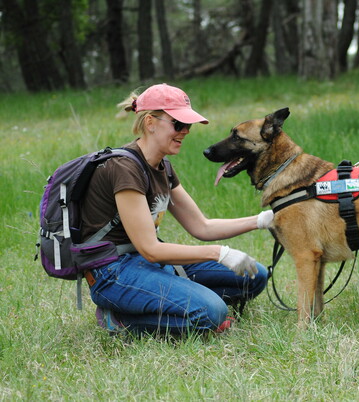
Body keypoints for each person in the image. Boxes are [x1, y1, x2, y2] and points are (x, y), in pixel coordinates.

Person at [81, 83, 272, 334]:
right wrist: (218, 253)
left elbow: (201, 226)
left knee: (254, 276)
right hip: (113, 272)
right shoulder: (124, 169)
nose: (185, 132)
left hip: (143, 264)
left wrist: (263, 219)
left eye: (188, 126)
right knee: (212, 312)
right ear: (150, 122)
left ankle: (178, 301)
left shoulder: (163, 167)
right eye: (178, 124)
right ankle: (119, 318)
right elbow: (151, 249)